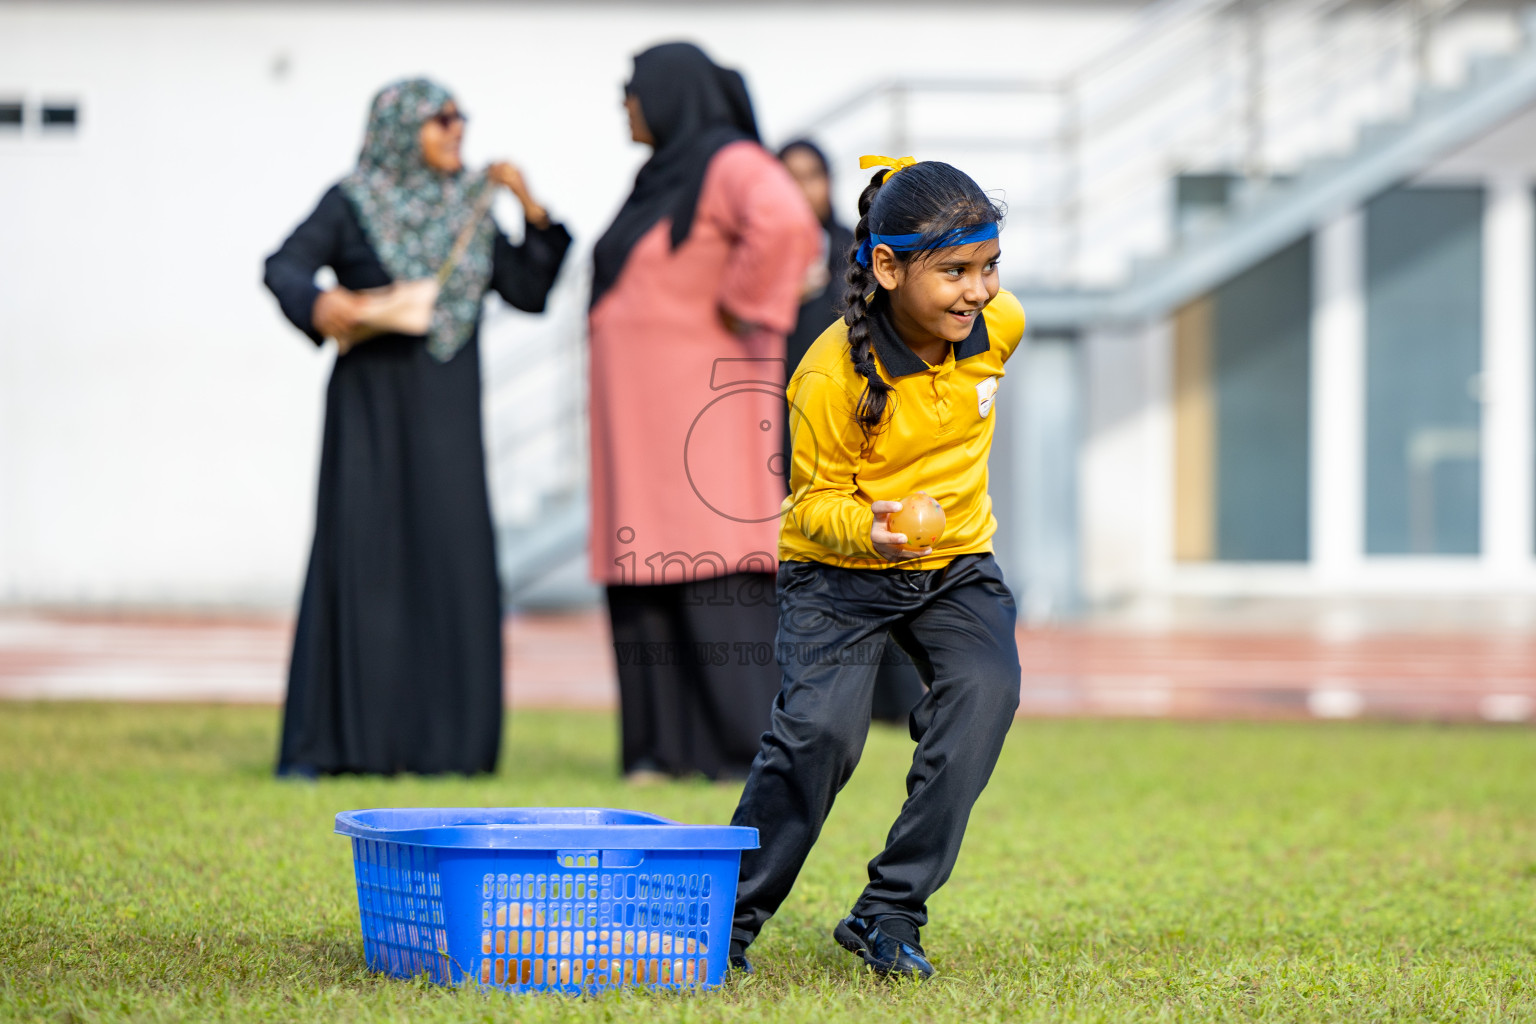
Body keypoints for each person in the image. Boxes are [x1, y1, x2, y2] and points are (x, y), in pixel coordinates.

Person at [727, 157, 1025, 979]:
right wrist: (875, 529)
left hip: (958, 562)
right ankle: (723, 924)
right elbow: (805, 509)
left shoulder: (1001, 327)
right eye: (955, 272)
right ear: (887, 268)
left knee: (985, 693)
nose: (978, 291)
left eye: (990, 266)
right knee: (818, 734)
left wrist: (934, 522)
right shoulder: (828, 375)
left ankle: (889, 912)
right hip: (838, 572)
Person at [263, 78, 570, 776]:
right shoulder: (353, 200)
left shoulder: (470, 208)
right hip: (368, 412)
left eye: (461, 116)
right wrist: (319, 303)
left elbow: (529, 289)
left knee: (450, 561)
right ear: (402, 128)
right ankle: (343, 744)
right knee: (363, 556)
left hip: (446, 414)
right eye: (441, 119)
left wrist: (528, 204)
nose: (457, 129)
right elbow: (283, 266)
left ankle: (450, 748)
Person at [588, 43, 819, 782]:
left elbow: (784, 219)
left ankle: (739, 749)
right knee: (646, 572)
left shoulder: (729, 162)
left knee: (711, 568)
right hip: (642, 426)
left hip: (701, 422)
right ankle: (664, 750)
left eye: (633, 90)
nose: (625, 104)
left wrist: (744, 304)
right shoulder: (664, 178)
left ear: (670, 94)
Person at [778, 138, 926, 727]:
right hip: (798, 421)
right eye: (786, 178)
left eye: (811, 175)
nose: (800, 189)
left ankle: (893, 701)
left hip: (867, 417)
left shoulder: (858, 250)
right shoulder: (761, 257)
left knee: (881, 548)